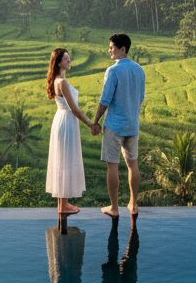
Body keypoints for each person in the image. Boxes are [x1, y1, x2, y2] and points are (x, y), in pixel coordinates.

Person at [91, 33, 145, 219]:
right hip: (132, 124)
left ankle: (114, 207)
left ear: (123, 48)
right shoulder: (139, 70)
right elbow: (141, 97)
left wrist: (96, 120)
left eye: (112, 47)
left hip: (114, 125)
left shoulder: (113, 71)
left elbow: (105, 99)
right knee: (133, 164)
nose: (109, 50)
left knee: (112, 166)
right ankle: (133, 204)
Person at [45, 47, 92, 215]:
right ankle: (63, 204)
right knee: (65, 159)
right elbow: (75, 110)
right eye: (66, 59)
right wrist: (91, 124)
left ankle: (62, 204)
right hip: (66, 121)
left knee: (62, 159)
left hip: (61, 120)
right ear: (59, 63)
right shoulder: (62, 82)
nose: (69, 61)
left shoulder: (58, 80)